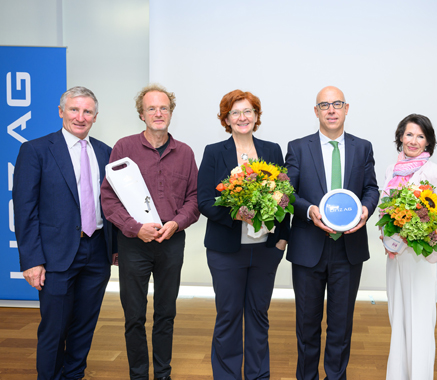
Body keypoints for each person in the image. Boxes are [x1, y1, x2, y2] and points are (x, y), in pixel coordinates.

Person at [13, 86, 115, 380]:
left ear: (95, 117)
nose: (80, 117)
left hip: (97, 252)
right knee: (54, 327)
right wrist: (32, 260)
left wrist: (115, 247)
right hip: (55, 256)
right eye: (74, 109)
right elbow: (25, 210)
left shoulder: (104, 152)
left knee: (84, 325)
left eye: (87, 111)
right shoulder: (35, 150)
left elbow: (111, 204)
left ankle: (74, 375)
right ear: (61, 112)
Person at [100, 84, 200, 380]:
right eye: (151, 108)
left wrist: (176, 223)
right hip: (134, 244)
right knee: (133, 316)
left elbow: (194, 199)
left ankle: (163, 374)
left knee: (166, 314)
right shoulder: (124, 148)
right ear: (141, 114)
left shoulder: (184, 152)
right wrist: (134, 228)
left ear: (171, 112)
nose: (158, 113)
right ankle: (139, 375)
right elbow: (109, 198)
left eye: (164, 108)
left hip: (171, 243)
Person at [285, 86, 379, 380]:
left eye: (336, 104)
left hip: (348, 250)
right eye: (324, 105)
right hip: (308, 248)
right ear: (316, 112)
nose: (331, 110)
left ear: (346, 108)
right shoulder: (299, 147)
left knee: (341, 325)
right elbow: (287, 193)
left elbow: (371, 189)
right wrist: (310, 210)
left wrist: (366, 208)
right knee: (307, 325)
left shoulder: (362, 147)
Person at [197, 89, 290, 379]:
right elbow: (204, 201)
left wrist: (281, 241)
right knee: (228, 317)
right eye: (235, 112)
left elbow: (286, 196)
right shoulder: (214, 152)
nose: (242, 117)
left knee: (259, 317)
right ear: (226, 118)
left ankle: (258, 375)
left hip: (265, 251)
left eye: (248, 111)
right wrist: (233, 213)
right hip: (226, 251)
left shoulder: (272, 150)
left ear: (256, 116)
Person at [381, 114, 437, 380]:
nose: (413, 141)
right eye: (409, 134)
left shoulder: (436, 172)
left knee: (420, 324)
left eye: (420, 136)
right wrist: (388, 236)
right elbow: (385, 210)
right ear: (400, 137)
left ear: (428, 142)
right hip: (396, 256)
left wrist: (421, 232)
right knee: (398, 321)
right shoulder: (392, 170)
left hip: (423, 258)